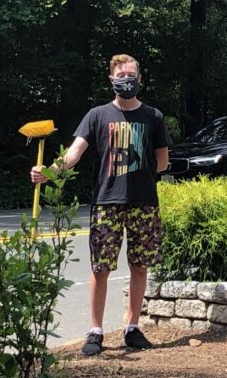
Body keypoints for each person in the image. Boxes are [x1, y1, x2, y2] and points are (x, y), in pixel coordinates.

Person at [30, 54, 171, 357]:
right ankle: (95, 330)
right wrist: (50, 171)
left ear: (140, 79)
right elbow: (74, 152)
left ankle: (132, 327)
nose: (126, 80)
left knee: (139, 266)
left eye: (131, 75)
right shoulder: (97, 115)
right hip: (107, 201)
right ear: (111, 79)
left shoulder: (154, 117)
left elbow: (163, 161)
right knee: (101, 267)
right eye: (121, 75)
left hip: (144, 201)